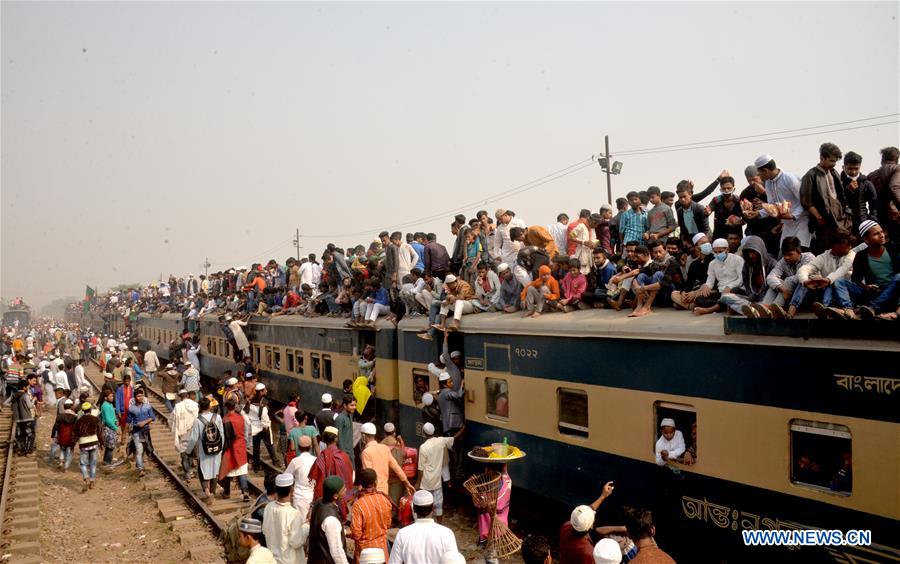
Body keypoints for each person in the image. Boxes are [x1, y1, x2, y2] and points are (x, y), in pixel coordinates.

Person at [830, 221, 899, 319]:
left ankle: (871, 308)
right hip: (873, 294)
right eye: (876, 234)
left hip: (892, 292)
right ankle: (848, 309)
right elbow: (856, 279)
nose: (881, 235)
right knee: (839, 282)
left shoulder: (893, 249)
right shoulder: (861, 256)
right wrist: (866, 286)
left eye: (881, 232)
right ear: (866, 239)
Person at [800, 143, 852, 252]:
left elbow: (840, 196)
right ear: (822, 158)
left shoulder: (834, 173)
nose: (834, 164)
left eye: (835, 161)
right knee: (826, 252)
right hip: (824, 223)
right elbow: (806, 201)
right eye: (831, 161)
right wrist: (818, 217)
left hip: (840, 220)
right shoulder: (811, 175)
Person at [754, 154, 811, 249]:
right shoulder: (768, 183)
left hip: (801, 224)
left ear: (766, 171)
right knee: (784, 257)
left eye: (759, 173)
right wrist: (757, 213)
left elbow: (805, 200)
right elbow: (772, 207)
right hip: (787, 226)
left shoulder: (789, 178)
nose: (759, 176)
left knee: (799, 255)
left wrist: (793, 215)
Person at [388, 490, 459, 564]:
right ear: (433, 508)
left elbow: (394, 562)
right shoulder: (446, 534)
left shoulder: (402, 534)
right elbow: (454, 561)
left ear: (414, 509)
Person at [416, 422, 464, 523]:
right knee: (438, 504)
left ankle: (427, 522)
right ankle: (439, 524)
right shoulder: (441, 441)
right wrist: (463, 428)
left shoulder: (423, 447)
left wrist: (418, 483)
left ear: (424, 433)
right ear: (433, 432)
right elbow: (453, 438)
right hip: (436, 481)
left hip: (426, 481)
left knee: (426, 503)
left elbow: (421, 468)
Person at [559, 481, 615, 564]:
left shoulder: (566, 527)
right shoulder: (588, 553)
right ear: (591, 526)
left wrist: (603, 496)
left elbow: (583, 514)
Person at [262, 473, 309, 564]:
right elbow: (296, 542)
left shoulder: (268, 507)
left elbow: (265, 531)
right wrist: (306, 526)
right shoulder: (293, 514)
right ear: (292, 490)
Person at [360, 422, 416, 497]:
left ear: (363, 436)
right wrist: (407, 483)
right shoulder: (384, 448)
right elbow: (396, 467)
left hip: (373, 492)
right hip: (385, 491)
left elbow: (368, 476)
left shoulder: (366, 452)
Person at [308, 426, 353, 519]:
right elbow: (349, 476)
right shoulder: (344, 456)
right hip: (341, 497)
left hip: (326, 500)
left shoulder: (321, 457)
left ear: (324, 439)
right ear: (336, 439)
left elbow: (317, 480)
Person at [350, 468, 393, 564]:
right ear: (376, 482)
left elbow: (356, 533)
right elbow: (388, 524)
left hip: (365, 553)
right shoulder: (385, 500)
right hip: (382, 550)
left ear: (361, 484)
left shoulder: (358, 504)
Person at [185, 396, 224, 501]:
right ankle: (212, 490)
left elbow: (193, 438)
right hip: (217, 449)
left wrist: (188, 451)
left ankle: (206, 490)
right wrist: (221, 448)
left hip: (204, 450)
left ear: (200, 407)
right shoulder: (218, 417)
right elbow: (222, 434)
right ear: (209, 406)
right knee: (215, 469)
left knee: (202, 470)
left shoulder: (198, 420)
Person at [692, 238, 745, 316]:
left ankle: (709, 309)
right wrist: (706, 286)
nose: (717, 254)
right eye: (715, 252)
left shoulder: (737, 259)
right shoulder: (712, 263)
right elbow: (710, 281)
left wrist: (729, 287)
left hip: (735, 290)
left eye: (720, 252)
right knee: (699, 299)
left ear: (727, 250)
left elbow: (741, 279)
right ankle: (725, 305)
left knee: (732, 293)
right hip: (721, 292)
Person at [308, 475, 351, 564]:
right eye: (343, 490)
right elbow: (337, 552)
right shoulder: (331, 519)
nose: (345, 490)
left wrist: (344, 532)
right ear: (335, 496)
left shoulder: (318, 503)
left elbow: (324, 532)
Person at [219, 398, 252, 502]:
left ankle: (227, 492)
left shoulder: (225, 419)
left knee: (228, 469)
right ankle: (245, 491)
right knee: (242, 469)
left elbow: (223, 436)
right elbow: (245, 431)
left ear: (226, 408)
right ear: (235, 406)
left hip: (229, 447)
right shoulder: (240, 418)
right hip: (240, 446)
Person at [475, 464, 512, 547]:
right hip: (502, 529)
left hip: (488, 533)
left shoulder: (485, 495)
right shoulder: (508, 481)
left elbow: (477, 504)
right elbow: (505, 472)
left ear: (489, 471)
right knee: (495, 554)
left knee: (490, 556)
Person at [248, 383, 281, 472]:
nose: (266, 391)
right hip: (264, 428)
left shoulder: (251, 401)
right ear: (261, 392)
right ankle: (275, 462)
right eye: (265, 390)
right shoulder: (264, 403)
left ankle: (256, 467)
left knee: (256, 448)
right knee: (269, 445)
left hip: (255, 428)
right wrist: (266, 426)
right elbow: (265, 417)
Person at [284, 434, 316, 520]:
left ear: (298, 447)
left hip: (299, 497)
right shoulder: (316, 460)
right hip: (313, 496)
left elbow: (285, 477)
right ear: (311, 447)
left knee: (299, 524)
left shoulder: (295, 461)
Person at [127, 387, 155, 478]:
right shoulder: (131, 408)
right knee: (139, 450)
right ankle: (140, 468)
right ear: (135, 397)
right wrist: (130, 428)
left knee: (146, 449)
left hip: (146, 431)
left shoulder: (147, 406)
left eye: (142, 395)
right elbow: (128, 420)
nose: (140, 397)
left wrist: (145, 422)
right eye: (138, 396)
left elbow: (152, 417)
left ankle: (140, 463)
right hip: (136, 432)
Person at [73, 402, 101, 492]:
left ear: (83, 410)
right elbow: (100, 432)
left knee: (83, 463)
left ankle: (86, 477)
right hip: (94, 442)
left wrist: (73, 443)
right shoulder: (95, 419)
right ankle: (92, 481)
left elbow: (75, 433)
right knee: (93, 463)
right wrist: (102, 443)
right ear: (90, 410)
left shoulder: (79, 421)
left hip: (83, 443)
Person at [173, 388, 199, 481]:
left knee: (184, 455)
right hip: (194, 433)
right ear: (187, 395)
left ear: (180, 397)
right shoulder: (195, 405)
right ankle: (192, 471)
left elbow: (172, 420)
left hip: (182, 433)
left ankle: (187, 473)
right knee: (191, 453)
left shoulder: (177, 406)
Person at [51, 399, 78, 471]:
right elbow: (76, 429)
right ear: (71, 406)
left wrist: (53, 435)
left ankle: (61, 461)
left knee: (62, 449)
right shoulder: (75, 417)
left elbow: (55, 426)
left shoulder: (60, 416)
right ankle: (66, 466)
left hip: (62, 436)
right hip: (70, 437)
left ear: (64, 407)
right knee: (70, 451)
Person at [98, 387, 120, 467]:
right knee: (110, 447)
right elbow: (107, 420)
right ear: (105, 397)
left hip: (111, 426)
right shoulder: (105, 406)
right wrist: (115, 428)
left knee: (109, 446)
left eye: (112, 396)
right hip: (109, 428)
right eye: (110, 396)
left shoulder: (109, 404)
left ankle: (105, 461)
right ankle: (107, 463)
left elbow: (112, 417)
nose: (112, 398)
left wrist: (115, 420)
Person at [334, 395, 356, 466]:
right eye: (352, 405)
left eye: (355, 405)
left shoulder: (350, 416)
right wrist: (343, 455)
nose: (354, 407)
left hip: (350, 452)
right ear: (345, 405)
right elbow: (338, 438)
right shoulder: (340, 419)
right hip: (344, 455)